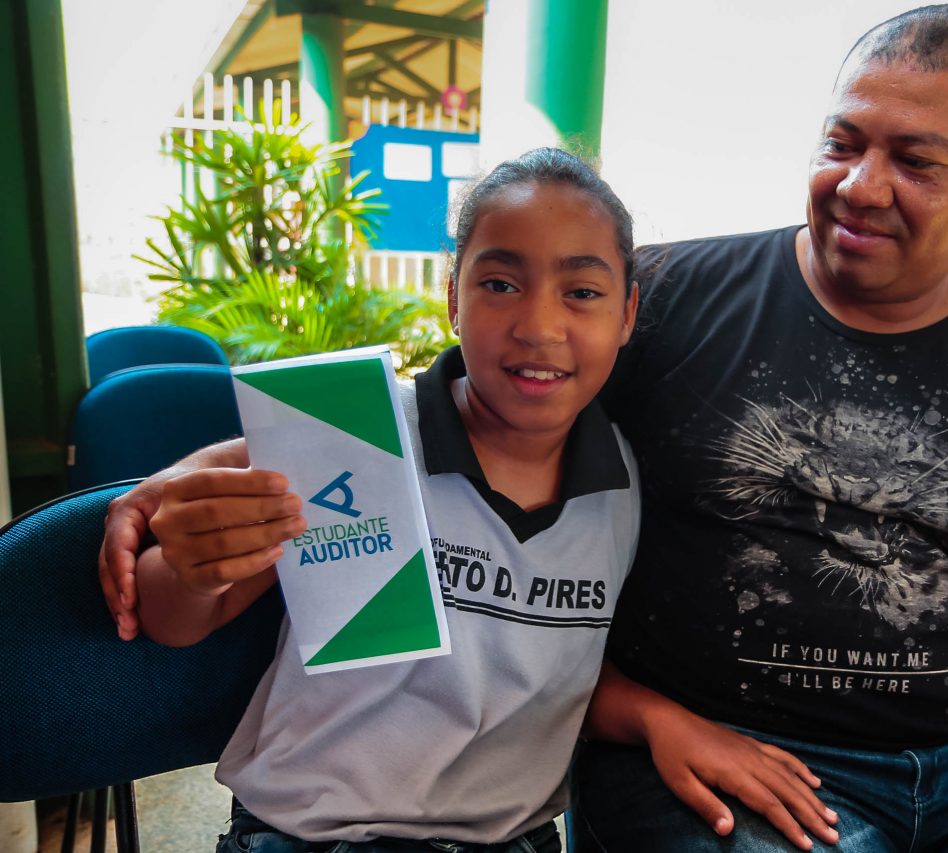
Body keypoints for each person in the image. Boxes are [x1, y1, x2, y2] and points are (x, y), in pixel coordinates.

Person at [103, 6, 948, 852]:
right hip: (679, 763)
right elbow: (418, 412)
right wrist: (179, 480)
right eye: (842, 139)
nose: (861, 184)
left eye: (916, 158)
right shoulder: (666, 298)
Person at [116, 148, 833, 853]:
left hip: (507, 838)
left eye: (581, 291)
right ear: (453, 294)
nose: (539, 326)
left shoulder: (630, 479)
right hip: (308, 830)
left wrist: (655, 718)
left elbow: (563, 669)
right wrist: (188, 566)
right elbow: (171, 617)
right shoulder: (357, 431)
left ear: (627, 313)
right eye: (499, 283)